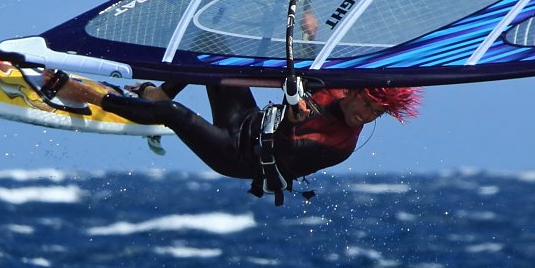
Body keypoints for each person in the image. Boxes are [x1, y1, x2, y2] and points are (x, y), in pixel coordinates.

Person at [43, 71, 421, 205]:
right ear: (357, 91)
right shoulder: (337, 84)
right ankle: (154, 99)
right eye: (367, 104)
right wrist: (308, 19)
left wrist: (292, 117)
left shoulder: (341, 145)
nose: (365, 115)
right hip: (245, 123)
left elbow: (285, 148)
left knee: (175, 116)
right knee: (213, 64)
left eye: (376, 113)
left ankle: (86, 95)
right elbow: (309, 52)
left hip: (240, 158)